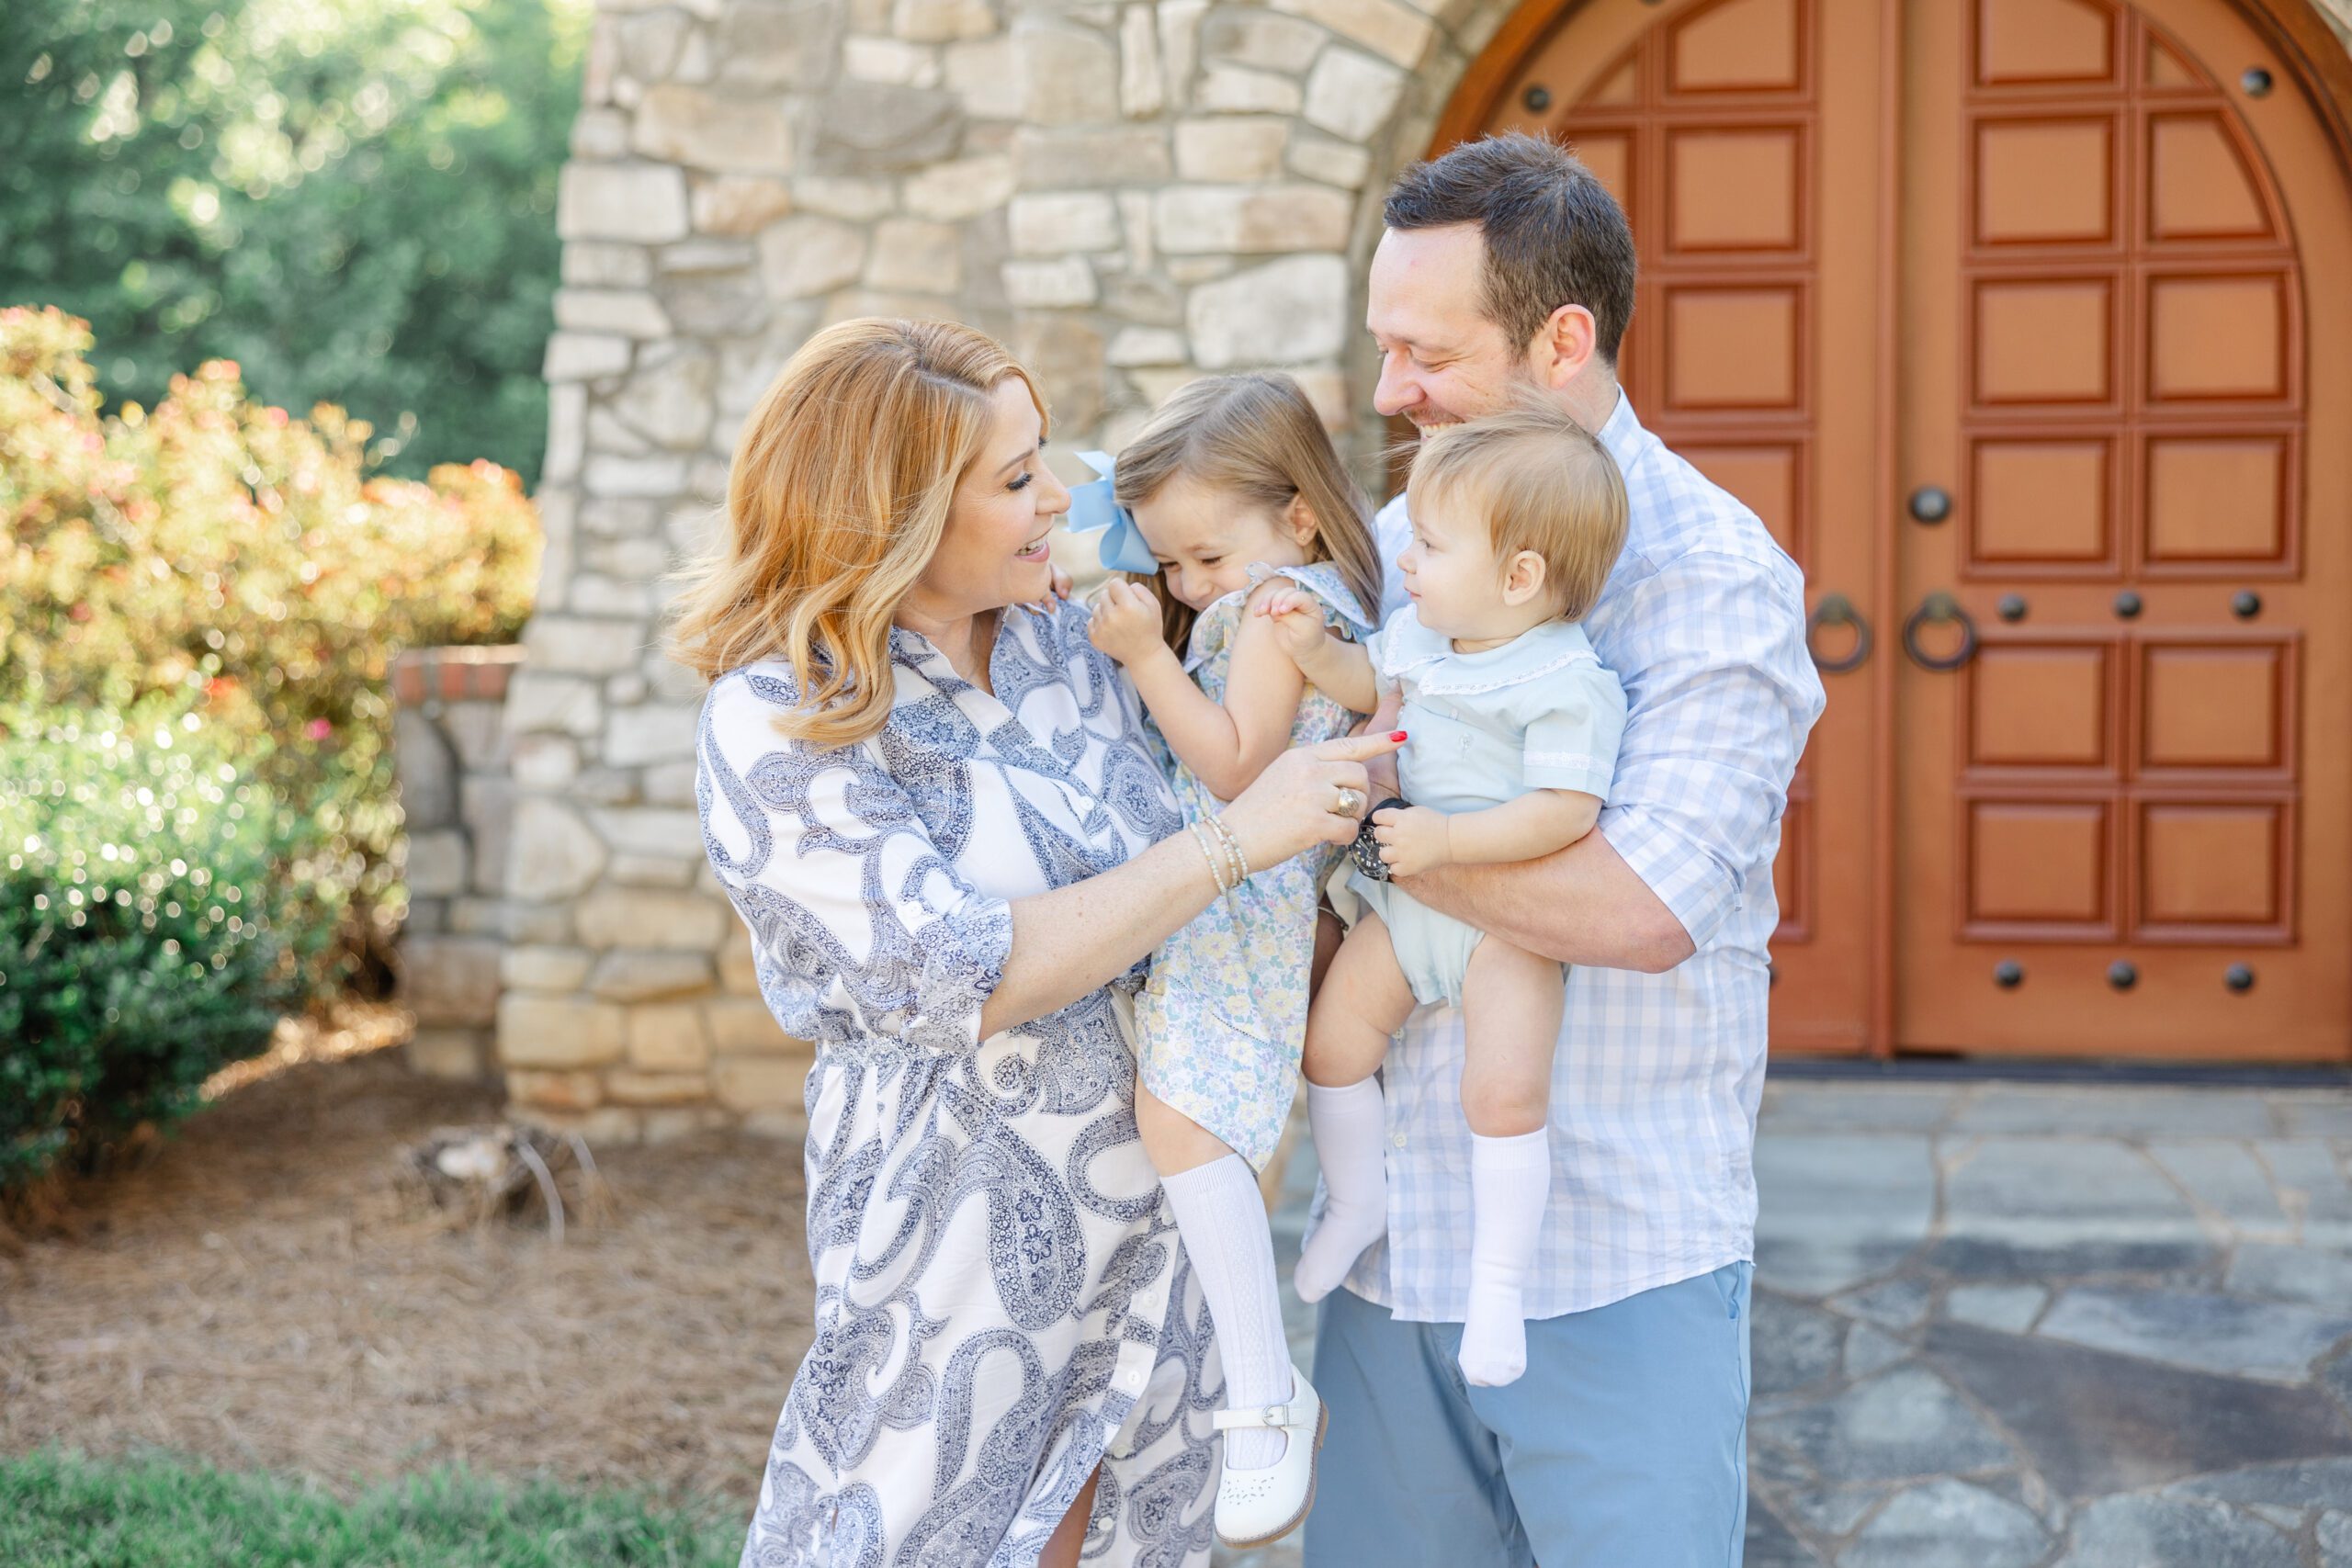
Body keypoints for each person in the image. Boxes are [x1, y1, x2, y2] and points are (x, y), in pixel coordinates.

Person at [672, 318, 1401, 1568]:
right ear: (890, 511)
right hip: (954, 1274)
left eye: (1044, 455)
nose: (1058, 496)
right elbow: (964, 968)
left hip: (1164, 1263)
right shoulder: (784, 719)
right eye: (1015, 479)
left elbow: (1250, 596)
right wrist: (1234, 843)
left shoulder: (1086, 641)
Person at [1300, 132, 1827, 1567]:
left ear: (1562, 341)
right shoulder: (1408, 535)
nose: (1390, 390)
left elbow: (1638, 900)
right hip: (1395, 1252)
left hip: (1613, 1260)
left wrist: (1388, 842)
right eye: (1383, 347)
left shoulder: (1707, 576)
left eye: (1426, 352)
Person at [1076, 372, 1385, 1548]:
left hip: (1241, 896)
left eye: (1206, 557)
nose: (1189, 585)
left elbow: (1238, 766)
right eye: (1172, 567)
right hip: (1244, 893)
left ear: (1297, 514)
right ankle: (1262, 1377)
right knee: (1192, 1125)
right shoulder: (1296, 591)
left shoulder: (1274, 612)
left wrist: (1150, 658)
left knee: (1184, 1128)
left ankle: (1263, 1398)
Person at [1268, 402, 1629, 1391]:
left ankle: (1497, 1286)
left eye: (1429, 543)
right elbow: (1360, 678)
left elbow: (1563, 809)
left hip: (1507, 927)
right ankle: (1354, 1201)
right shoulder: (1420, 640)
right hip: (1408, 906)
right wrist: (1310, 650)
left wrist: (1448, 841)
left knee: (1503, 1095)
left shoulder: (1565, 678)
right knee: (1332, 1047)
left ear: (1519, 577)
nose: (1408, 561)